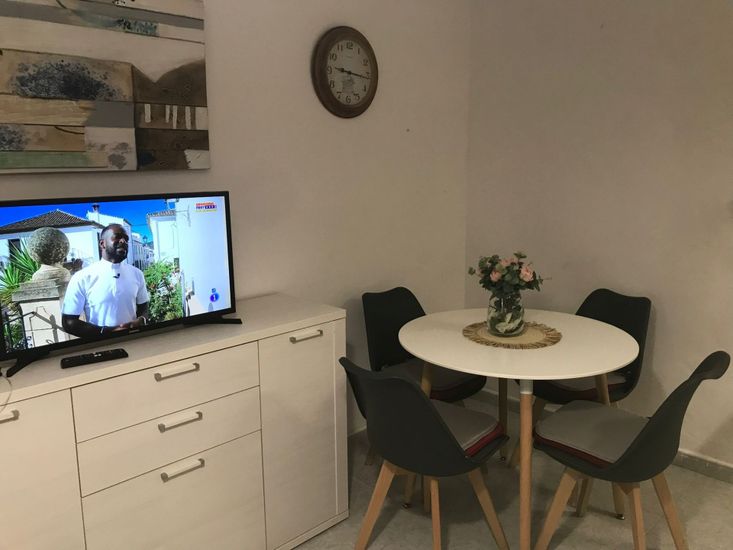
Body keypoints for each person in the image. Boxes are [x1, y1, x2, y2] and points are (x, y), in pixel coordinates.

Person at [62, 224, 150, 338]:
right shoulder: (82, 277)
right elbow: (69, 323)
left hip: (135, 340)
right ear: (102, 243)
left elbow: (144, 307)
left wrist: (141, 320)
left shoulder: (137, 274)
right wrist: (106, 332)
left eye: (126, 239)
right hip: (101, 344)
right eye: (117, 237)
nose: (123, 241)